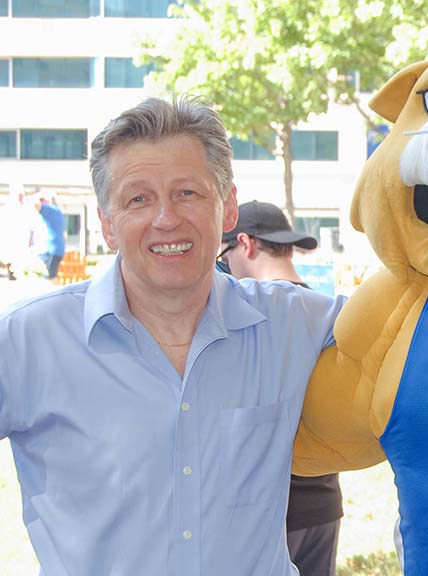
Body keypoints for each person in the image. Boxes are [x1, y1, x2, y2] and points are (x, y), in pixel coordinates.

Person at [0, 96, 344, 575]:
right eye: (138, 198)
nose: (166, 219)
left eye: (187, 193)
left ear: (227, 209)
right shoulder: (28, 341)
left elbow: (405, 326)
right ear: (106, 225)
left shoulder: (295, 324)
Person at [220, 200, 344, 576]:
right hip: (323, 505)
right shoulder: (325, 315)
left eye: (223, 255)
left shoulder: (248, 319)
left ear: (246, 244)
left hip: (265, 512)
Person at [32, 196, 66, 281]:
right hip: (57, 249)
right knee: (52, 276)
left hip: (50, 250)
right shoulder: (58, 212)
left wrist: (37, 197)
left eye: (42, 200)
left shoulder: (50, 210)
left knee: (49, 278)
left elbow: (36, 205)